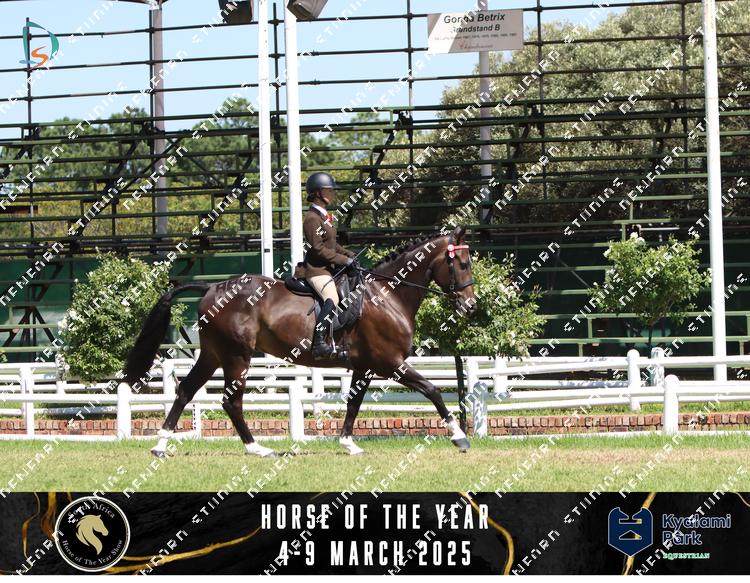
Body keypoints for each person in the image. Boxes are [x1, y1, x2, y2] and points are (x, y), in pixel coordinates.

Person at [300, 172, 359, 359]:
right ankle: (318, 344)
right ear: (318, 192)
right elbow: (318, 249)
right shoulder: (312, 218)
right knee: (332, 297)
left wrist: (349, 254)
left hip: (328, 268)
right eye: (329, 190)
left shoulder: (324, 216)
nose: (332, 193)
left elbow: (332, 245)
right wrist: (343, 261)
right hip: (317, 270)